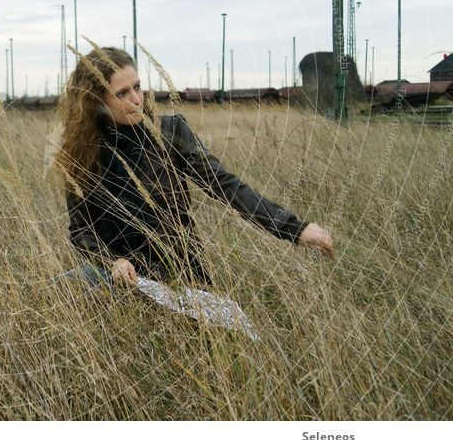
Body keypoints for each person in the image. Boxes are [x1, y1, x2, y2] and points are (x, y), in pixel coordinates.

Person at [54, 46, 333, 293]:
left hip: (178, 272)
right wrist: (111, 261)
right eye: (122, 93)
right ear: (97, 101)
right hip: (120, 275)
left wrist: (295, 229)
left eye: (137, 87)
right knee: (61, 288)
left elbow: (225, 185)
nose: (136, 100)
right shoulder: (82, 153)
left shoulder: (170, 132)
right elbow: (81, 230)